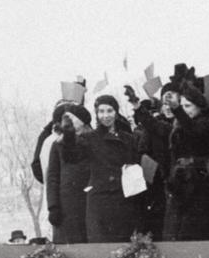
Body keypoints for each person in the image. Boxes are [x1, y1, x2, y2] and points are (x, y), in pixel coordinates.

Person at [62, 94, 144, 242]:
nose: (105, 115)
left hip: (123, 201)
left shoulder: (128, 139)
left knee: (123, 248)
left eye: (110, 111)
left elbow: (135, 166)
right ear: (97, 114)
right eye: (101, 111)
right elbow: (71, 157)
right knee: (101, 247)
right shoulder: (89, 138)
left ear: (116, 112)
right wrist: (68, 132)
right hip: (99, 202)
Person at [162, 82, 209, 241]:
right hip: (182, 187)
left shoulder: (205, 125)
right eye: (182, 106)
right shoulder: (180, 127)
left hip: (198, 189)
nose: (185, 110)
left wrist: (177, 110)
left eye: (188, 106)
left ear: (199, 107)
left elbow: (195, 133)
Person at [129, 84, 178, 240]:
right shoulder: (157, 127)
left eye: (171, 103)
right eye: (164, 103)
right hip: (158, 185)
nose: (168, 107)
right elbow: (143, 151)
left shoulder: (182, 126)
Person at [47, 103, 92, 244]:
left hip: (90, 201)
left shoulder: (93, 141)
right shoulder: (58, 145)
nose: (67, 120)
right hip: (66, 205)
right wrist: (53, 206)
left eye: (71, 117)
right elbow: (52, 178)